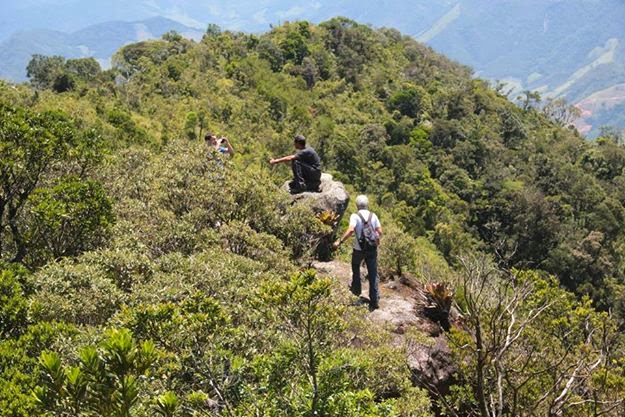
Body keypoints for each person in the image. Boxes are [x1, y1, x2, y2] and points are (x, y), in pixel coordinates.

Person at [333, 195, 382, 311]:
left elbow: (350, 230)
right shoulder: (373, 215)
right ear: (367, 204)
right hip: (371, 249)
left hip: (358, 249)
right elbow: (379, 231)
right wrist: (376, 241)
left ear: (357, 205)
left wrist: (339, 241)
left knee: (356, 267)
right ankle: (374, 301)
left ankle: (356, 290)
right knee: (373, 274)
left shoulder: (355, 216)